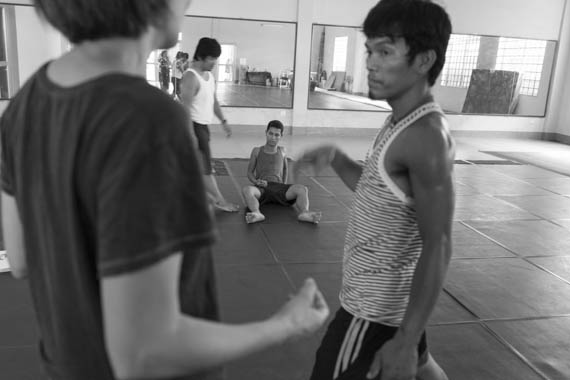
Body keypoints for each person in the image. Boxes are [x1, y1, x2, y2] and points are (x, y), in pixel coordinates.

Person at [0, 1, 330, 380]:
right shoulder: (150, 119)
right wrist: (284, 325)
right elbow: (145, 355)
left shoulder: (25, 104)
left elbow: (22, 258)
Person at [296, 1, 454, 379]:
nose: (370, 62)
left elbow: (439, 243)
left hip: (372, 318)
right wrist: (336, 157)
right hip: (389, 311)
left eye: (385, 51)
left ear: (424, 60)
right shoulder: (399, 119)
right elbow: (378, 191)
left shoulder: (425, 137)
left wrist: (404, 337)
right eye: (370, 50)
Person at [180, 37, 240, 212]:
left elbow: (213, 102)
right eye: (211, 58)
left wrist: (224, 121)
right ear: (201, 56)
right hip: (194, 127)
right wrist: (190, 134)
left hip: (203, 128)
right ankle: (220, 200)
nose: (214, 62)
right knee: (206, 169)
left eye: (216, 58)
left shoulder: (209, 77)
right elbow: (185, 108)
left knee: (197, 167)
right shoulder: (190, 77)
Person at [242, 120, 322, 224]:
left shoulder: (283, 151)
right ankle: (257, 213)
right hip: (262, 189)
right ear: (266, 132)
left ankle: (304, 213)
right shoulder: (256, 151)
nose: (273, 138)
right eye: (270, 134)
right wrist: (256, 182)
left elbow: (285, 169)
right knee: (247, 190)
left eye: (277, 135)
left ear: (281, 136)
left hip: (280, 189)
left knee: (302, 189)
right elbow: (249, 173)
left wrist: (283, 185)